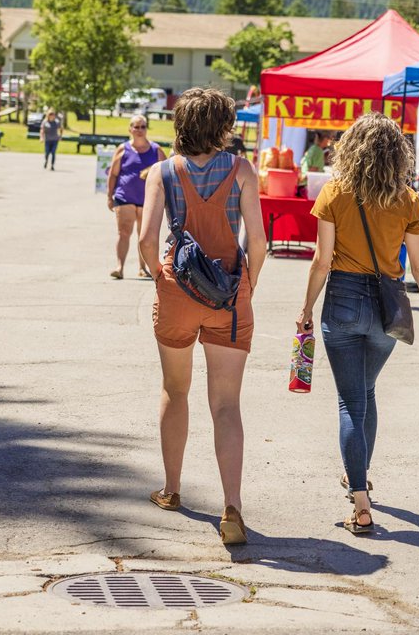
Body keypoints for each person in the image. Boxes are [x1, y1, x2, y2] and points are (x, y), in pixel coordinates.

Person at [297, 113, 419, 536]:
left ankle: (361, 503)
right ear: (397, 156)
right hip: (388, 308)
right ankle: (358, 473)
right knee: (365, 393)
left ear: (351, 149)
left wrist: (306, 308)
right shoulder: (409, 201)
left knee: (352, 401)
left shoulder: (334, 193)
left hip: (343, 302)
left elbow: (321, 261)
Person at [137, 87, 267, 546]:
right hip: (229, 293)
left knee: (175, 389)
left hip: (179, 289)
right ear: (223, 127)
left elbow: (146, 240)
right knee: (227, 404)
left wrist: (160, 277)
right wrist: (248, 282)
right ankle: (231, 506)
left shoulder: (162, 171)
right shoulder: (242, 170)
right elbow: (258, 241)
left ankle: (172, 489)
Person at [108, 114, 168, 279]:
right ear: (130, 129)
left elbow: (166, 173)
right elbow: (113, 174)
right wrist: (109, 196)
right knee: (124, 232)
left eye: (143, 127)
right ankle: (119, 267)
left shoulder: (156, 150)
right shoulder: (123, 149)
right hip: (124, 196)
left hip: (148, 199)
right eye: (136, 127)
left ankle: (143, 268)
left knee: (144, 235)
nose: (140, 130)